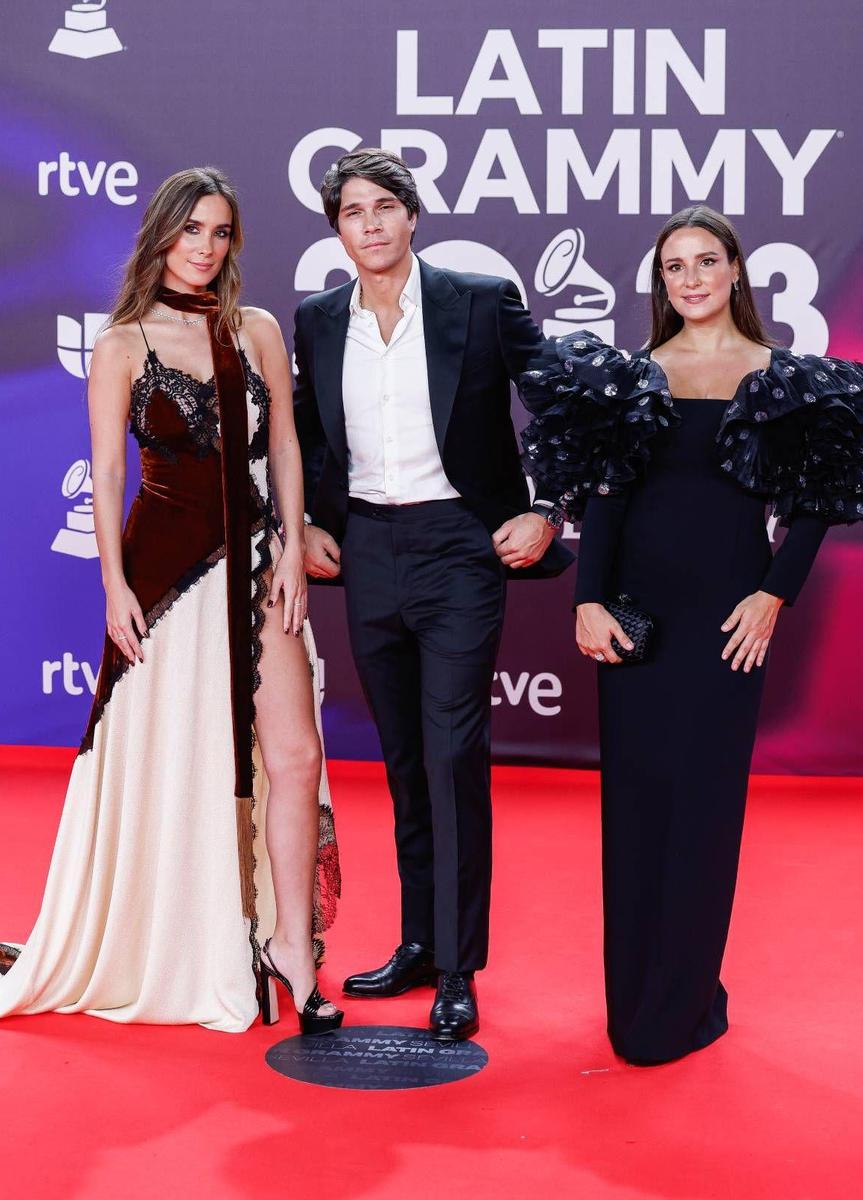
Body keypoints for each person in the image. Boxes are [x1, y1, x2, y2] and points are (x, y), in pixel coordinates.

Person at [0, 167, 342, 1035]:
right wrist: (112, 586)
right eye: (192, 232)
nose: (205, 249)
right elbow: (107, 475)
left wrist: (292, 544)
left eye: (220, 234)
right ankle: (186, 939)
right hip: (166, 574)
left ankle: (292, 946)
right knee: (178, 763)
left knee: (293, 757)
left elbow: (286, 445)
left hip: (257, 562)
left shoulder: (255, 331)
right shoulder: (120, 345)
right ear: (162, 236)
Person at [520, 205, 863, 1065]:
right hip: (638, 618)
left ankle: (681, 1004)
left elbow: (822, 500)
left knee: (705, 811)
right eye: (674, 266)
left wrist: (772, 596)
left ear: (734, 273)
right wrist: (587, 600)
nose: (690, 279)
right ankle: (635, 998)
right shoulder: (633, 375)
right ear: (661, 283)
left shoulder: (782, 376)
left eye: (705, 262)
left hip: (727, 621)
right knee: (637, 805)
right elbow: (605, 496)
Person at [293, 148, 573, 1041]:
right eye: (351, 212)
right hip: (368, 547)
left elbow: (564, 401)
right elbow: (304, 433)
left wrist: (546, 507)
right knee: (407, 759)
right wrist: (303, 522)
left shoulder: (479, 302)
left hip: (460, 543)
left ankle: (458, 965)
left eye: (384, 207)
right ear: (336, 229)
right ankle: (419, 941)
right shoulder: (319, 318)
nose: (369, 224)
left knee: (453, 754)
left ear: (414, 216)